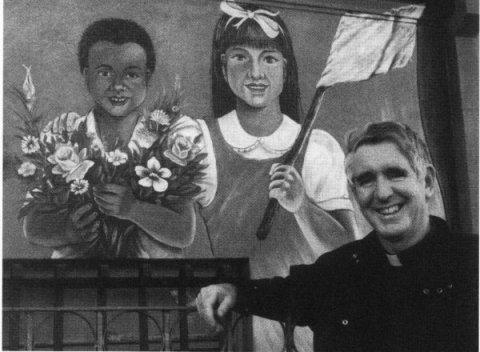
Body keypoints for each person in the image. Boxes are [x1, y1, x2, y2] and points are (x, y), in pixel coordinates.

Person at [195, 121, 479, 351]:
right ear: (354, 194)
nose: (382, 193)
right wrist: (231, 291)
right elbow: (282, 294)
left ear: (426, 182)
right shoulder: (337, 271)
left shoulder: (472, 264)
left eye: (395, 174)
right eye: (365, 180)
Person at [192, 2, 357, 351]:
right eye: (240, 57)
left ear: (285, 69)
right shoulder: (198, 141)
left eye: (268, 58)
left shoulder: (317, 147)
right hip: (233, 324)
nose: (255, 72)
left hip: (308, 327)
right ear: (223, 67)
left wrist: (302, 207)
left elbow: (347, 257)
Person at [23, 18, 198, 258]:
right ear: (86, 75)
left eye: (132, 75)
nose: (118, 86)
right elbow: (32, 226)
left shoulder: (167, 142)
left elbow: (185, 232)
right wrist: (68, 229)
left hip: (151, 283)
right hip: (76, 283)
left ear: (147, 77)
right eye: (105, 73)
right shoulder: (64, 137)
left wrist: (134, 209)